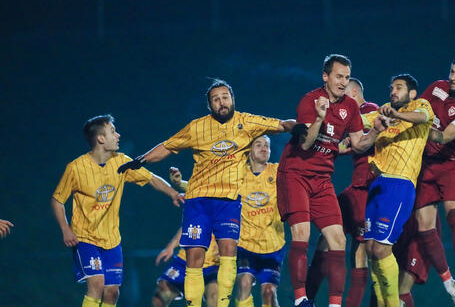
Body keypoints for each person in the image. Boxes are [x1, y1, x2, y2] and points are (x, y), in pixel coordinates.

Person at [117, 79, 296, 307]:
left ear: (232, 99)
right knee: (193, 258)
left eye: (225, 97)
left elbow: (281, 125)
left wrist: (301, 127)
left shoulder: (247, 122)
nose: (221, 102)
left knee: (229, 252)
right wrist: (141, 159)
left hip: (228, 201)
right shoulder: (196, 127)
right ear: (210, 105)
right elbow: (168, 146)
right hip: (198, 202)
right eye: (216, 99)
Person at [277, 55, 386, 307]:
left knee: (338, 239)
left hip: (322, 178)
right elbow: (304, 143)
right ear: (325, 76)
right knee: (302, 234)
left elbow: (358, 144)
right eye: (338, 76)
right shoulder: (310, 100)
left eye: (346, 77)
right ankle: (301, 300)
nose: (342, 81)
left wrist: (376, 131)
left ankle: (335, 304)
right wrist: (318, 118)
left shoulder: (350, 106)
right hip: (295, 174)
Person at [51, 114, 182, 307]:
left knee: (112, 292)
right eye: (113, 131)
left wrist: (172, 193)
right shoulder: (76, 168)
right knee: (97, 283)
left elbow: (151, 178)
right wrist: (65, 228)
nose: (118, 135)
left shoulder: (121, 162)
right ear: (101, 138)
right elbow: (57, 200)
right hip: (85, 239)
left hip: (112, 240)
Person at [401, 55, 455, 307]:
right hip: (425, 165)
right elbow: (417, 110)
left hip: (450, 166)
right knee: (425, 227)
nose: (453, 77)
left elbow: (445, 136)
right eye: (452, 72)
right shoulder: (437, 87)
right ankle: (450, 285)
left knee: (454, 216)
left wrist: (419, 127)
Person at [304, 77, 379, 306]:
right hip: (355, 189)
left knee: (360, 252)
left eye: (345, 94)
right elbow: (346, 145)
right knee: (326, 240)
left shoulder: (370, 110)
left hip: (370, 188)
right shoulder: (352, 117)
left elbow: (355, 140)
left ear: (355, 91)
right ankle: (306, 298)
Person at [362, 74, 434, 307]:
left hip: (400, 184)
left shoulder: (420, 105)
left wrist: (397, 114)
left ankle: (393, 304)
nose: (393, 91)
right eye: (391, 88)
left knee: (382, 248)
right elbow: (356, 121)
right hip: (378, 184)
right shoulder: (383, 113)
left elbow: (422, 118)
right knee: (371, 249)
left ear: (411, 93)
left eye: (399, 88)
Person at [152, 167, 219, 307]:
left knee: (214, 295)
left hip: (212, 263)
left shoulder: (234, 201)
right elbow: (188, 225)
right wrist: (170, 246)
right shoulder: (202, 195)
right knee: (163, 289)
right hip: (186, 259)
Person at [235, 135, 285, 307]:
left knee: (269, 293)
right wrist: (180, 185)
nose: (264, 148)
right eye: (258, 145)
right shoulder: (238, 174)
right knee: (243, 283)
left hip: (273, 245)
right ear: (249, 151)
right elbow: (209, 187)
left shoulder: (278, 171)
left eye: (267, 146)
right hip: (245, 244)